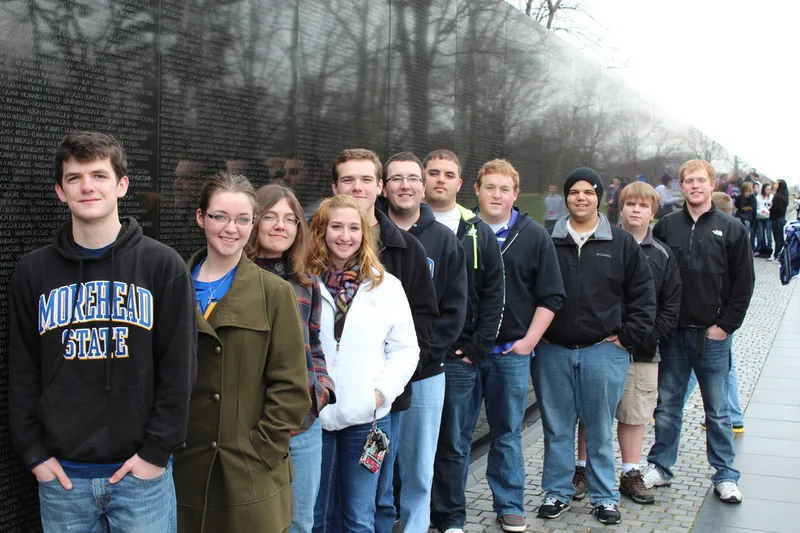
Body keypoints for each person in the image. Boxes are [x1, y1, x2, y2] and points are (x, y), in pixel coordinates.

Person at [9, 131, 196, 533]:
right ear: (60, 192)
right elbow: (23, 369)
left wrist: (155, 454)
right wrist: (34, 454)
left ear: (122, 185)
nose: (87, 186)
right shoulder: (32, 271)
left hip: (140, 478)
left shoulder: (162, 266)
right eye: (74, 178)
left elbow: (179, 369)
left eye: (99, 175)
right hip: (63, 480)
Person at [175, 173, 310, 532]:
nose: (230, 229)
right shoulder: (170, 286)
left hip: (248, 473)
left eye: (242, 219)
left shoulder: (274, 292)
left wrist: (262, 449)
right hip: (181, 471)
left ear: (252, 224)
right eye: (219, 216)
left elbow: (291, 386)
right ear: (201, 217)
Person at [534, 167, 656, 526]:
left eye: (589, 191)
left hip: (603, 351)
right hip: (553, 351)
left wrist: (626, 337)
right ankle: (557, 492)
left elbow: (643, 296)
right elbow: (527, 288)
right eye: (574, 191)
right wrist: (536, 331)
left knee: (600, 429)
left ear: (599, 197)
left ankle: (604, 498)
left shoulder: (621, 243)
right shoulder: (547, 240)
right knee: (557, 428)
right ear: (566, 197)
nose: (581, 197)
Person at [328, 149, 439, 529]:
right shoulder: (311, 252)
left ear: (379, 187)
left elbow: (422, 322)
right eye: (348, 180)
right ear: (335, 187)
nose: (357, 187)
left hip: (379, 403)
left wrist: (384, 388)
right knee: (324, 503)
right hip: (322, 407)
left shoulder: (405, 249)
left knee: (376, 499)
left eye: (365, 180)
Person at [642, 159, 755, 504]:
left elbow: (744, 283)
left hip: (712, 336)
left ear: (711, 184)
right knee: (667, 406)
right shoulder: (666, 226)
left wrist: (725, 327)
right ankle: (660, 467)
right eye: (688, 181)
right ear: (681, 186)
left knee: (717, 411)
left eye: (700, 180)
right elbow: (655, 277)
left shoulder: (732, 228)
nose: (694, 186)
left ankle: (725, 475)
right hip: (674, 335)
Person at [310, 194, 420, 533]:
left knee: (359, 518)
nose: (345, 236)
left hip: (366, 420)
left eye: (354, 228)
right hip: (314, 418)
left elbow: (405, 350)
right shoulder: (303, 283)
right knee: (314, 517)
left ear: (364, 234)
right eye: (336, 227)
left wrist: (379, 394)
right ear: (321, 231)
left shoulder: (386, 286)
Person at [375, 152, 467, 533]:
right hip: (375, 374)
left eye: (413, 178)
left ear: (423, 186)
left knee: (418, 467)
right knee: (377, 463)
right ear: (384, 187)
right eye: (396, 178)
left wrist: (418, 359)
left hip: (426, 373)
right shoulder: (368, 234)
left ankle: (415, 526)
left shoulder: (444, 240)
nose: (405, 185)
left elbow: (453, 310)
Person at [573, 182, 680, 505]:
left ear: (653, 212)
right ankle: (583, 469)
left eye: (643, 205)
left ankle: (630, 472)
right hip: (597, 347)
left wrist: (637, 336)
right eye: (630, 204)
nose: (636, 210)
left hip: (641, 351)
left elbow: (670, 307)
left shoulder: (662, 254)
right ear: (620, 208)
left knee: (634, 413)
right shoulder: (600, 244)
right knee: (592, 412)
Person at [475, 159, 566, 532]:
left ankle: (509, 504)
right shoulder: (463, 231)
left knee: (507, 433)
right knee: (454, 437)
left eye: (504, 189)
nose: (496, 195)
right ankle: (447, 509)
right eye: (490, 187)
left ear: (515, 194)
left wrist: (528, 342)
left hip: (510, 354)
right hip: (465, 355)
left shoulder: (534, 236)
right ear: (477, 190)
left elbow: (552, 295)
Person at [423, 149, 505, 533]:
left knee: (453, 442)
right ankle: (410, 513)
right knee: (410, 440)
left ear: (459, 183)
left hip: (458, 359)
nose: (440, 179)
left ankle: (451, 516)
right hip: (413, 356)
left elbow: (494, 293)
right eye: (433, 172)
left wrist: (475, 348)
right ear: (422, 179)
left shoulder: (477, 231)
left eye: (448, 174)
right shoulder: (405, 226)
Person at [249, 184, 336, 533]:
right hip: (254, 426)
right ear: (253, 221)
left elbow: (314, 345)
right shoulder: (235, 278)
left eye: (289, 219)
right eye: (270, 216)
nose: (280, 226)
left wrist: (321, 389)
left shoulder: (306, 282)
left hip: (303, 425)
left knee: (300, 522)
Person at [769, 179, 790, 262]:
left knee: (778, 238)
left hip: (777, 219)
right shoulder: (783, 196)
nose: (774, 185)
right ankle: (778, 254)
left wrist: (770, 210)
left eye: (776, 184)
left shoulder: (779, 197)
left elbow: (778, 209)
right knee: (779, 238)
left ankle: (777, 255)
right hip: (780, 219)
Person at [754, 183, 773, 255]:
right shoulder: (758, 197)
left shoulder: (771, 197)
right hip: (760, 217)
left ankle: (770, 248)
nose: (768, 191)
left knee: (768, 234)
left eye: (770, 189)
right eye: (767, 189)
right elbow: (756, 207)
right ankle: (763, 249)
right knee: (761, 234)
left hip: (768, 217)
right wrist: (760, 211)